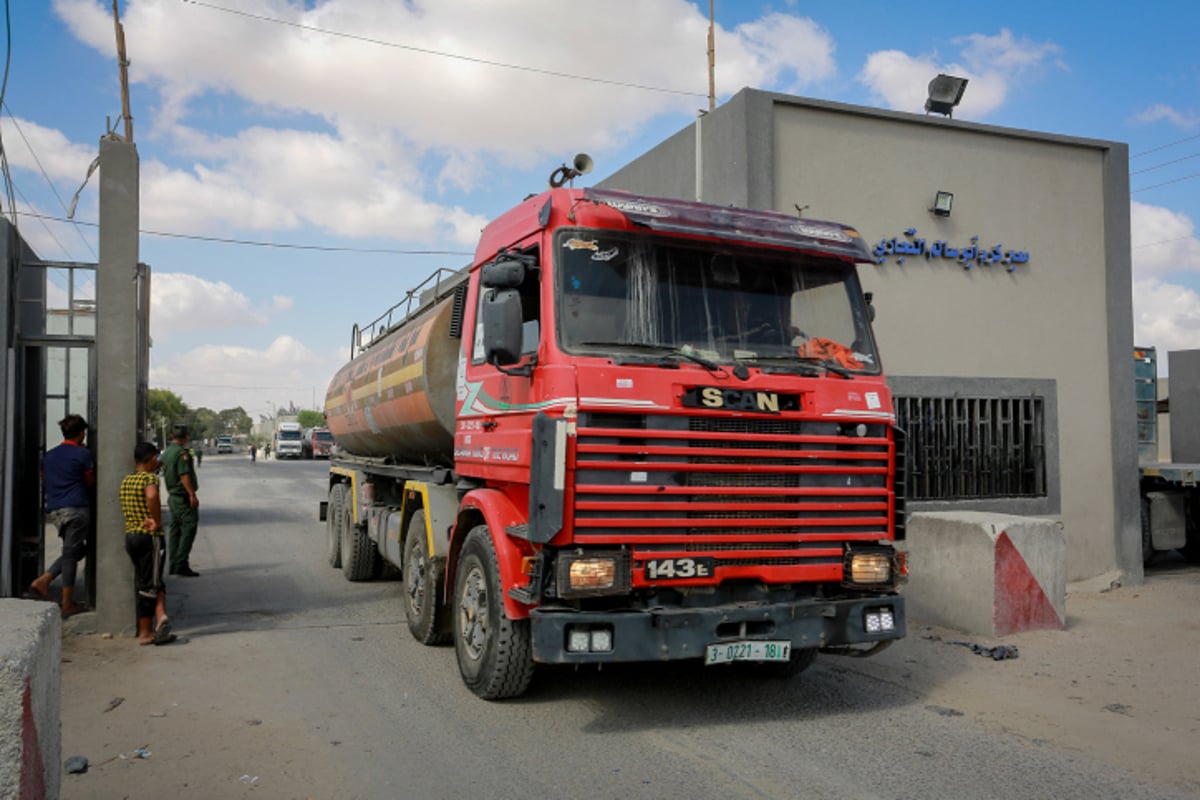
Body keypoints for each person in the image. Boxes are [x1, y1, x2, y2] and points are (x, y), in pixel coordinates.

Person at [28, 414, 95, 618]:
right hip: (76, 510)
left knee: (74, 551)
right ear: (81, 433)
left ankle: (45, 580)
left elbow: (44, 478)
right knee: (71, 555)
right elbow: (90, 481)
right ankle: (66, 603)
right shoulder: (83, 455)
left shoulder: (48, 456)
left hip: (55, 510)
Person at [119, 442, 174, 645]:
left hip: (131, 536)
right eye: (156, 459)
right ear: (151, 459)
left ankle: (161, 619)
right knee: (149, 584)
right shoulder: (149, 478)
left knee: (151, 578)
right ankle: (145, 632)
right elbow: (151, 495)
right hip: (149, 537)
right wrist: (157, 521)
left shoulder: (126, 480)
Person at [161, 424, 201, 577]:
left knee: (175, 530)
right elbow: (184, 476)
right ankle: (181, 563)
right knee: (189, 527)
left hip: (172, 497)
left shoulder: (167, 452)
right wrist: (192, 494)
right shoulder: (181, 453)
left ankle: (173, 564)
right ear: (185, 437)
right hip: (182, 497)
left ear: (172, 436)